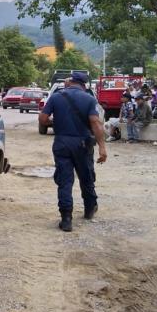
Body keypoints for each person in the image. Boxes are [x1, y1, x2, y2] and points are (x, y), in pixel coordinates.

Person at [39, 72, 107, 232]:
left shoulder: (56, 97)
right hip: (83, 143)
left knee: (65, 180)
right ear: (84, 84)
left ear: (71, 82)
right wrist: (102, 147)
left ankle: (66, 219)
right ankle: (90, 209)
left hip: (62, 142)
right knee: (86, 177)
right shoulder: (90, 99)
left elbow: (42, 119)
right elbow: (96, 124)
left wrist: (55, 122)